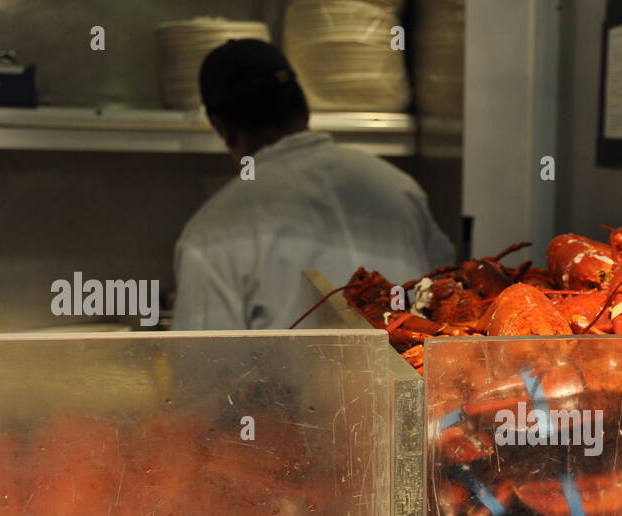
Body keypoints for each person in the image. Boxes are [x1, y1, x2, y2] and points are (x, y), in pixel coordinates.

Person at [173, 39, 454, 331]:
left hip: (288, 379)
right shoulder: (398, 186)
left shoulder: (210, 231)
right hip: (415, 373)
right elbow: (444, 292)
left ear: (222, 126)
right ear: (304, 106)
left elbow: (200, 363)